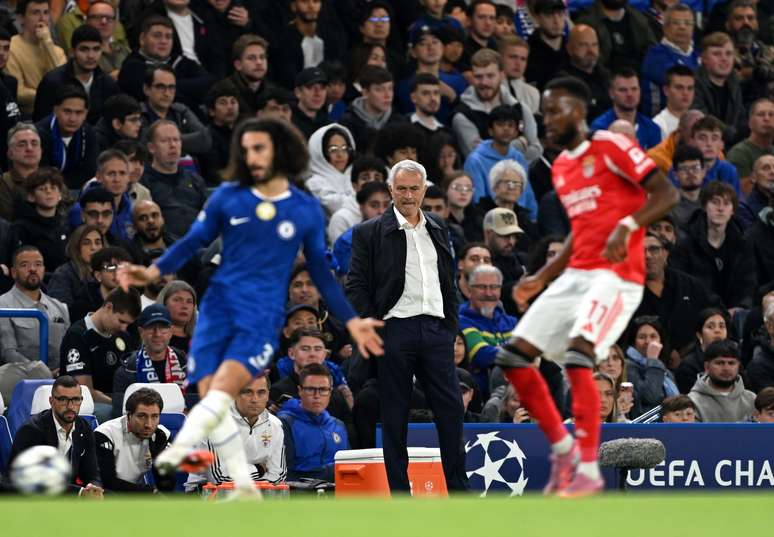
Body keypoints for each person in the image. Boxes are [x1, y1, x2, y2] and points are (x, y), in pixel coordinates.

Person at [118, 117, 382, 498]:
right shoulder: (228, 197)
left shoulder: (305, 209)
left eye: (261, 148)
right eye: (247, 149)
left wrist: (353, 321)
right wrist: (152, 269)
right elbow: (193, 241)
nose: (252, 156)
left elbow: (323, 276)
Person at [494, 76, 678, 496]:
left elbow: (666, 194)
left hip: (618, 277)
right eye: (543, 112)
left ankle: (590, 468)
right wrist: (541, 277)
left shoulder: (609, 146)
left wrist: (629, 224)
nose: (548, 119)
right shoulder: (561, 167)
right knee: (513, 357)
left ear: (580, 111)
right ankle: (563, 449)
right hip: (577, 275)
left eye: (555, 110)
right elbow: (580, 231)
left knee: (579, 355)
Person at [346, 159, 468, 493]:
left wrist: (450, 325)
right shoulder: (368, 232)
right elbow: (355, 285)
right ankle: (400, 493)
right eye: (401, 188)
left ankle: (460, 493)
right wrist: (377, 326)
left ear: (424, 190)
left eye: (414, 188)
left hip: (436, 331)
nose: (408, 195)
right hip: (394, 330)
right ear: (390, 190)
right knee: (395, 415)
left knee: (451, 411)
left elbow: (449, 283)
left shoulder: (439, 227)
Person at [7, 376, 103, 497]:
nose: (70, 406)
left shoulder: (84, 428)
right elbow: (38, 479)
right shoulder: (32, 430)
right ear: (51, 401)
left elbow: (92, 473)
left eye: (76, 400)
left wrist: (94, 488)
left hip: (67, 496)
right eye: (63, 400)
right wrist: (79, 493)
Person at [185, 376, 286, 491]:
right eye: (247, 392)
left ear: (268, 395)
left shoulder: (276, 425)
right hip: (206, 493)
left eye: (261, 393)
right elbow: (219, 477)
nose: (254, 399)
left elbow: (278, 474)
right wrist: (259, 469)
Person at [60, 288, 142, 423]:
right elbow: (84, 392)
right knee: (108, 414)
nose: (123, 328)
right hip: (85, 405)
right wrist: (120, 405)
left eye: (128, 324)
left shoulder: (123, 337)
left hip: (119, 403)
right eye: (121, 321)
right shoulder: (78, 336)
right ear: (108, 307)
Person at [669, 181, 755, 309]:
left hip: (735, 313)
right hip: (698, 311)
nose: (720, 208)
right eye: (715, 202)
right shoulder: (686, 244)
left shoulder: (742, 244)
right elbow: (683, 286)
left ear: (733, 211)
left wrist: (741, 307)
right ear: (704, 206)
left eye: (726, 204)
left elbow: (748, 283)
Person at [633, 230, 722, 353]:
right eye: (640, 251)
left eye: (654, 249)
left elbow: (717, 312)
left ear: (666, 253)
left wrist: (690, 351)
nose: (647, 255)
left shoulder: (689, 285)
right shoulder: (625, 290)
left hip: (692, 358)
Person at [0, 245, 70, 372]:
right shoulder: (2, 305)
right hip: (19, 381)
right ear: (13, 272)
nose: (32, 269)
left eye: (38, 264)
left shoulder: (60, 307)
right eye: (24, 265)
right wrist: (43, 373)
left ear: (44, 269)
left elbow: (69, 349)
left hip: (60, 381)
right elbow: (8, 353)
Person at [33, 24, 119, 124]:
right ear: (72, 52)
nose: (91, 56)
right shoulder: (52, 82)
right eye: (84, 49)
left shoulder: (108, 83)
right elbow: (41, 124)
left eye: (96, 49)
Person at [112, 304, 187, 417]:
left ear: (171, 331)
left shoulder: (186, 365)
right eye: (151, 328)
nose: (157, 334)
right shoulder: (127, 371)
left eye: (162, 327)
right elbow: (120, 416)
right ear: (141, 332)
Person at [278, 363, 348, 481]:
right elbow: (284, 474)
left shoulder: (339, 426)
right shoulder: (284, 423)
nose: (317, 396)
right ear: (300, 391)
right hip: (301, 497)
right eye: (311, 389)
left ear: (330, 392)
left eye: (323, 390)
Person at [94, 387, 172, 492]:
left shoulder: (162, 435)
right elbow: (108, 482)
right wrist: (150, 493)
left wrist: (158, 459)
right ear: (129, 415)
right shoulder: (105, 434)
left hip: (134, 494)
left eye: (154, 416)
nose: (148, 424)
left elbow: (167, 486)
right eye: (142, 416)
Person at [140, 120, 208, 237]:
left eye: (176, 140)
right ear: (151, 148)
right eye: (165, 141)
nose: (172, 145)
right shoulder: (143, 183)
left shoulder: (195, 180)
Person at [458, 265, 515, 396]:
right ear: (469, 290)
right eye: (482, 287)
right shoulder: (461, 321)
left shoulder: (511, 322)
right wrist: (516, 351)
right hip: (479, 398)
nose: (488, 293)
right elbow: (483, 355)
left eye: (494, 287)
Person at [5, 0, 66, 115]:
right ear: (21, 18)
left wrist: (48, 44)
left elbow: (66, 83)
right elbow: (19, 92)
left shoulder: (57, 51)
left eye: (46, 12)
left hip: (58, 114)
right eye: (35, 13)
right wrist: (52, 94)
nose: (42, 18)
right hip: (28, 115)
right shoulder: (11, 47)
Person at [139, 65, 212, 158]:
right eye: (161, 87)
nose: (166, 93)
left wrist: (165, 141)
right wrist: (188, 142)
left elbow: (205, 140)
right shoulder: (138, 114)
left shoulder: (181, 111)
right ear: (146, 89)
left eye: (171, 87)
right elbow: (144, 148)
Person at [640, 4, 699, 118]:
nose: (682, 27)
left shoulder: (698, 55)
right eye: (676, 23)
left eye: (687, 23)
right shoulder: (656, 56)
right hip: (661, 122)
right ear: (665, 27)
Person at [35, 85, 98, 190]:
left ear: (86, 114)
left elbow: (89, 171)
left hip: (76, 189)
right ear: (55, 110)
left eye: (79, 113)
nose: (72, 119)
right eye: (67, 112)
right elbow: (42, 172)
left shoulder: (88, 132)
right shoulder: (38, 134)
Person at [692, 32, 746, 143]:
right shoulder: (693, 83)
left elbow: (740, 116)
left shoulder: (734, 80)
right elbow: (703, 119)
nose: (724, 59)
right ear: (704, 59)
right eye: (717, 54)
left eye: (729, 54)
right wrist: (734, 136)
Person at [11, 167, 69, 271]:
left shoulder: (65, 226)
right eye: (42, 189)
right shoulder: (21, 228)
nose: (48, 192)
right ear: (31, 196)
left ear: (60, 195)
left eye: (53, 188)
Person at [590, 68, 662, 150]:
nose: (630, 94)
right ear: (611, 94)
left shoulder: (652, 128)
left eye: (634, 89)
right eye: (623, 90)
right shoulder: (600, 128)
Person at [688, 339, 756, 422]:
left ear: (739, 366)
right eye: (720, 363)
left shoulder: (752, 400)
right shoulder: (692, 402)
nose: (726, 368)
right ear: (707, 367)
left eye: (731, 363)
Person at [623, 315, 679, 413]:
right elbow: (650, 397)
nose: (648, 341)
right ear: (633, 342)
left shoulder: (665, 370)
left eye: (653, 336)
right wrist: (652, 360)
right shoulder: (627, 367)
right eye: (642, 337)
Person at [556, 24, 611, 121]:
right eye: (583, 45)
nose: (591, 51)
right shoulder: (563, 82)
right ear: (569, 49)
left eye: (594, 45)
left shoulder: (607, 76)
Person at [48, 225, 104, 311]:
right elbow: (61, 312)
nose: (93, 247)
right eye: (86, 243)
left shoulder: (109, 272)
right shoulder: (63, 274)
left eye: (98, 242)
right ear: (77, 247)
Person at [675, 307, 731, 394]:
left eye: (721, 326)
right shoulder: (688, 365)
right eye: (710, 327)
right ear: (699, 335)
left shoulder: (733, 359)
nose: (717, 330)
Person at [305, 124, 357, 215]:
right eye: (333, 150)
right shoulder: (314, 183)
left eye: (344, 149)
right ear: (319, 153)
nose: (340, 155)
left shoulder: (355, 175)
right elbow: (336, 206)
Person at [727, 98, 774, 191]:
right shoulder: (739, 153)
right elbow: (741, 194)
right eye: (761, 114)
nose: (767, 118)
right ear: (750, 123)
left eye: (771, 115)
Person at [523, 0, 568, 92]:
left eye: (560, 14)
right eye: (549, 15)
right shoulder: (527, 51)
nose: (556, 21)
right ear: (537, 18)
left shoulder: (572, 47)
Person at [1, 124, 42, 222]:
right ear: (10, 153)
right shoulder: (3, 184)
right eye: (22, 144)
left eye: (34, 143)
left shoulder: (53, 178)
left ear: (41, 151)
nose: (29, 148)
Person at [652, 65, 696, 139]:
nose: (685, 93)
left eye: (690, 88)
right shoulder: (658, 125)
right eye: (679, 88)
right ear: (666, 90)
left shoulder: (700, 120)